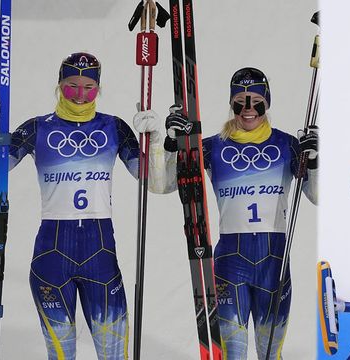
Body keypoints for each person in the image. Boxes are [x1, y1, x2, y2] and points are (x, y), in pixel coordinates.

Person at [134, 67, 318, 359]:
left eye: (256, 100)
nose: (248, 109)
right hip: (231, 262)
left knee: (271, 352)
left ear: (267, 102)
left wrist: (316, 161)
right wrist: (169, 143)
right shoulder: (211, 147)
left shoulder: (288, 145)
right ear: (231, 103)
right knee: (233, 353)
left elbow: (316, 196)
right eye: (240, 101)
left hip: (275, 261)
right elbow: (164, 184)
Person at [8, 52, 168, 360]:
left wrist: (157, 143)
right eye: (72, 86)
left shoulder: (114, 128)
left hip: (100, 255)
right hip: (51, 256)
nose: (80, 95)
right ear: (59, 85)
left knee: (114, 355)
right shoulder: (36, 128)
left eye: (88, 87)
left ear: (98, 89)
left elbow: (157, 183)